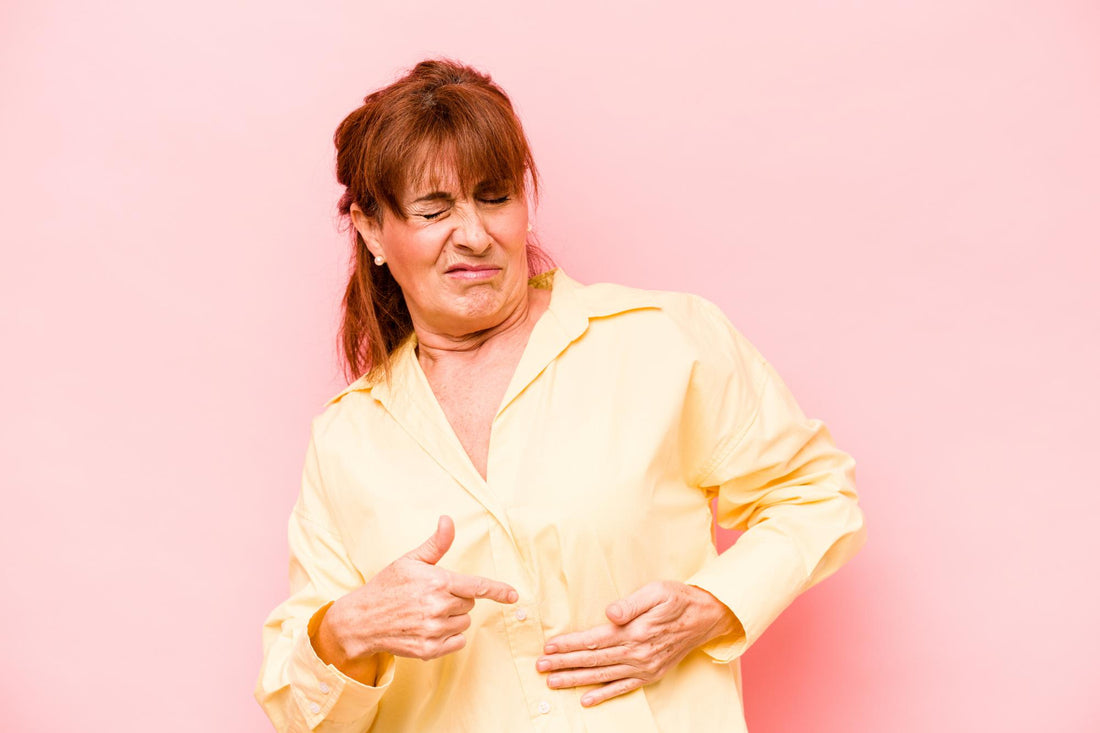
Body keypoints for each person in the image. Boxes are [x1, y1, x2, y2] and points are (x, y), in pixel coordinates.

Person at [254, 58, 868, 733]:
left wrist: (714, 603)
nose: (475, 234)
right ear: (372, 230)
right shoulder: (346, 441)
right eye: (434, 209)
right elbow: (297, 708)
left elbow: (816, 492)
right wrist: (348, 629)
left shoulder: (661, 341)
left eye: (494, 197)